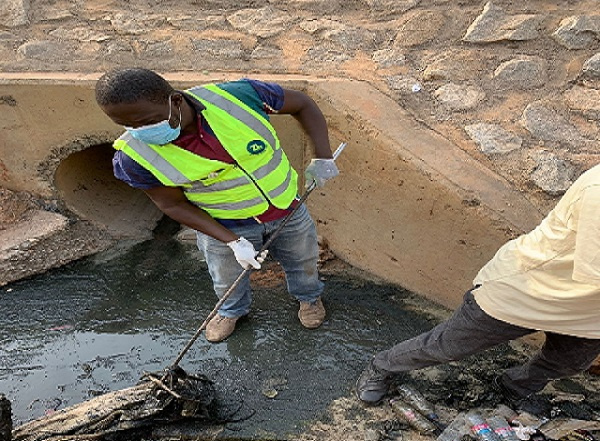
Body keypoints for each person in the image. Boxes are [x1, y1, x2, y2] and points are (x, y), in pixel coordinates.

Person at [95, 68, 339, 343]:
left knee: (302, 259)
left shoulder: (238, 97)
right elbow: (172, 205)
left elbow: (303, 104)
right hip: (222, 224)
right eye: (128, 126)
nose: (140, 132)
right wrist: (233, 241)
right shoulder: (134, 158)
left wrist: (323, 157)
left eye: (147, 121)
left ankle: (309, 299)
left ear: (175, 101)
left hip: (287, 208)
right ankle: (231, 310)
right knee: (226, 276)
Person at [356, 164, 600, 414]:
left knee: (567, 362)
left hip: (586, 313)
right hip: (527, 290)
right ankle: (383, 365)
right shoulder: (597, 190)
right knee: (449, 345)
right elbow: (594, 272)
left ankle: (514, 387)